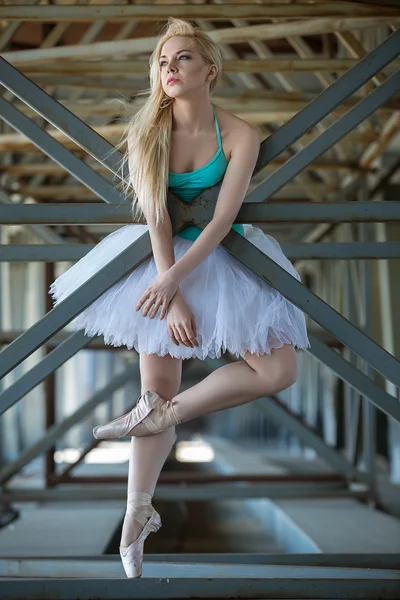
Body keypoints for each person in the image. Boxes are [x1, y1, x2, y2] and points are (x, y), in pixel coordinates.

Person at [49, 18, 310, 578]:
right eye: (164, 62)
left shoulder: (241, 134)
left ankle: (162, 416)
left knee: (279, 369)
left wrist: (178, 280)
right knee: (156, 381)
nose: (170, 69)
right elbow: (158, 218)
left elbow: (221, 221)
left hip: (223, 257)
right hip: (159, 258)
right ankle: (137, 515)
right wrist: (169, 291)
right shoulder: (149, 131)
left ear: (209, 71)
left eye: (183, 59)